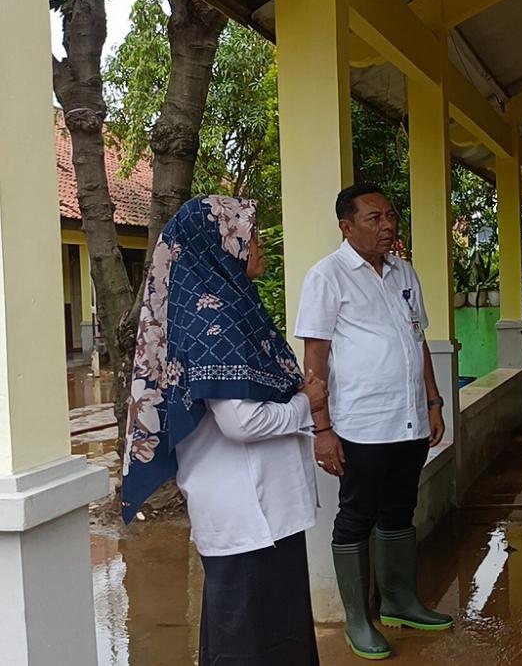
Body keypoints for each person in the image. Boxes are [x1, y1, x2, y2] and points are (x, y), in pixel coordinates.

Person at [121, 195, 328, 665]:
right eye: (249, 236)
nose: (258, 246)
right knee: (247, 642)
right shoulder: (213, 318)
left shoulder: (232, 306)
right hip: (246, 512)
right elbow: (242, 421)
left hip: (265, 510)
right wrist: (306, 404)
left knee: (270, 634)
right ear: (219, 244)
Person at [295, 183, 453, 661]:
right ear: (346, 226)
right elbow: (315, 358)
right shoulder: (328, 277)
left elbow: (417, 340)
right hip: (360, 423)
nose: (387, 225)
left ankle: (400, 601)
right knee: (356, 515)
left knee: (399, 509)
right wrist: (321, 429)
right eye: (374, 218)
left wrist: (433, 402)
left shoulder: (405, 273)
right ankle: (358, 619)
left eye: (390, 216)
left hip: (408, 420)